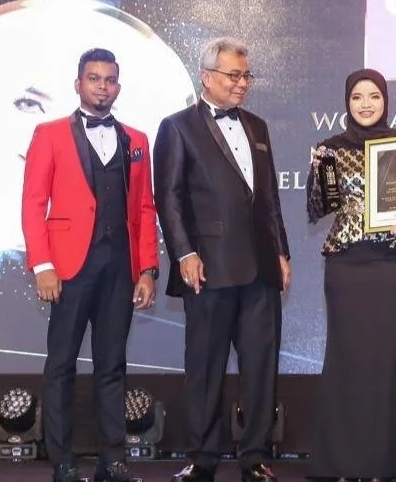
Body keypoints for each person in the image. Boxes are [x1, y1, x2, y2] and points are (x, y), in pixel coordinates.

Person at [152, 37, 291, 482]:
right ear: (207, 76)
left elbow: (269, 200)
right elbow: (168, 198)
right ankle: (203, 458)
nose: (242, 84)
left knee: (261, 367)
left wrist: (282, 252)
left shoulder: (258, 126)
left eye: (246, 75)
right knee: (206, 368)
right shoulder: (176, 127)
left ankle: (254, 456)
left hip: (261, 269)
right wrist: (184, 253)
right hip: (207, 268)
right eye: (234, 75)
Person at [21, 47, 161, 482]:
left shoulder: (136, 140)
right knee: (61, 364)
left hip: (120, 267)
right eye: (94, 78)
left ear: (118, 86)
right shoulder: (48, 134)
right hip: (67, 267)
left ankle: (112, 462)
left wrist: (147, 269)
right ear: (78, 83)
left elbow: (144, 208)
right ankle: (62, 462)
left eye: (110, 80)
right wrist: (42, 264)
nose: (102, 86)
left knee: (112, 365)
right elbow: (32, 202)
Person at [304, 69, 396, 482]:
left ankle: (390, 462)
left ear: (385, 100)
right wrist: (318, 171)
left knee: (389, 358)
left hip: (392, 266)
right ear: (347, 101)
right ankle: (344, 463)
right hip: (346, 266)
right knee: (347, 359)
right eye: (357, 96)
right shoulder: (330, 148)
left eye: (373, 96)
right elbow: (321, 207)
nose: (365, 104)